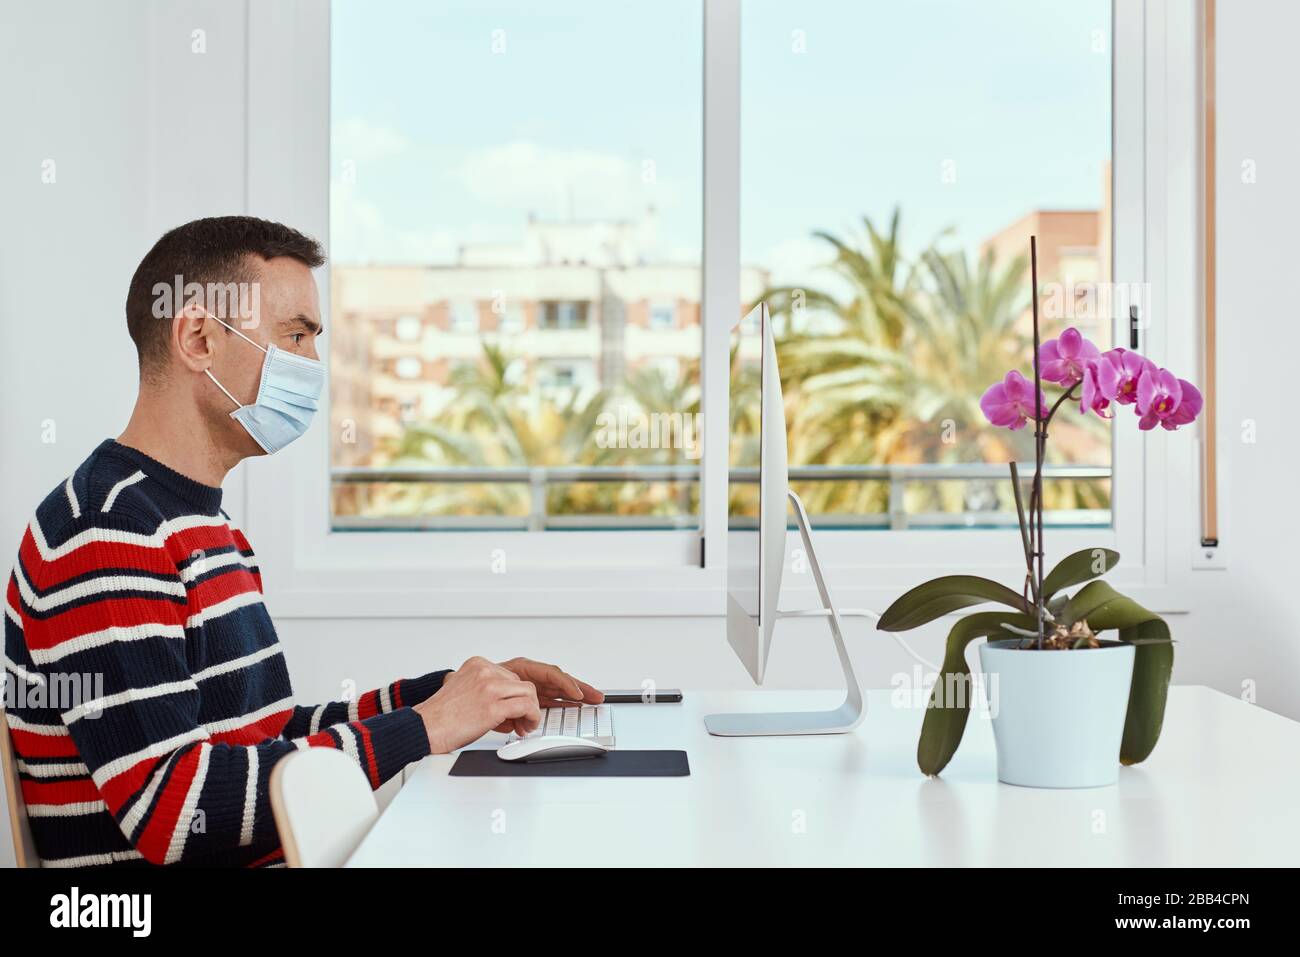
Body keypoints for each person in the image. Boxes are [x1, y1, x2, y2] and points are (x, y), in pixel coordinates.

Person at [2, 216, 602, 867]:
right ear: (198, 336)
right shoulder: (106, 529)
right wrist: (424, 728)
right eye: (294, 336)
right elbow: (174, 810)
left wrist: (451, 695)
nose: (312, 366)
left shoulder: (207, 527)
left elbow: (270, 739)